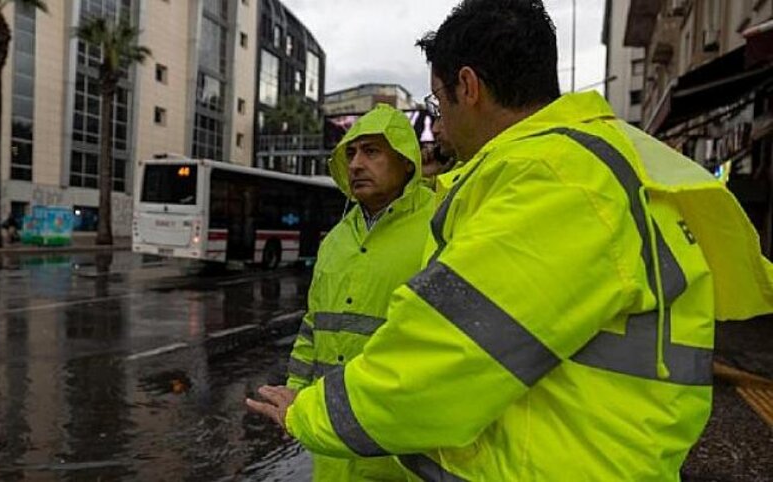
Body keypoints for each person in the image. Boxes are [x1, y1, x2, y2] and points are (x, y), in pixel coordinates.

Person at [246, 1, 773, 480]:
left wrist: (309, 413)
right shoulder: (597, 167)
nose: (441, 122)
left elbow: (440, 363)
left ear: (468, 88)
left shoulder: (555, 183)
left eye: (439, 98)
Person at [284, 104, 436, 481]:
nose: (355, 164)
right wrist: (295, 395)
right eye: (350, 153)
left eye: (371, 151)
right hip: (332, 442)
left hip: (402, 442)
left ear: (406, 162)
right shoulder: (336, 239)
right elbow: (313, 325)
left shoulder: (441, 224)